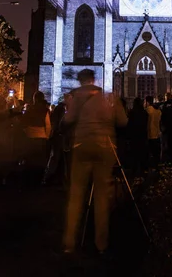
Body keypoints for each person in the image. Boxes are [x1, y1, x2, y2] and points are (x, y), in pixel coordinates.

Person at [62, 69, 127, 256]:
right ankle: (101, 244)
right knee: (101, 197)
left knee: (76, 196)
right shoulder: (107, 97)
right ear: (94, 79)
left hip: (82, 146)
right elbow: (122, 122)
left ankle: (69, 243)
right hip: (104, 148)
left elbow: (68, 119)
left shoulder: (77, 97)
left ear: (81, 81)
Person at [22, 90, 51, 186]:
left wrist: (27, 132)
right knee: (40, 160)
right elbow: (48, 125)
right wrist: (47, 136)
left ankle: (29, 180)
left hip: (30, 137)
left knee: (30, 159)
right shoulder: (45, 111)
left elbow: (24, 123)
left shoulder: (29, 109)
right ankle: (38, 180)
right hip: (41, 137)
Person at [127, 97, 148, 175]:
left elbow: (129, 125)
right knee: (142, 154)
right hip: (142, 136)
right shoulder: (144, 113)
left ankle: (134, 171)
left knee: (134, 155)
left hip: (134, 136)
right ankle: (143, 171)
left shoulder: (132, 113)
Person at [145, 96, 161, 169]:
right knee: (156, 155)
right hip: (157, 135)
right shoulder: (158, 111)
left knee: (149, 154)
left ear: (147, 102)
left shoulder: (146, 111)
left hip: (148, 135)